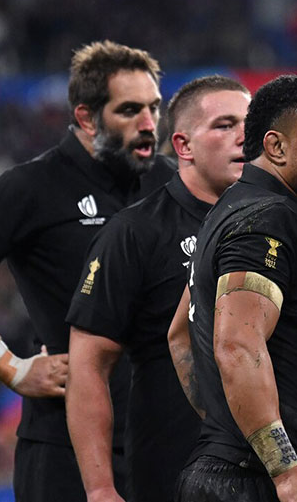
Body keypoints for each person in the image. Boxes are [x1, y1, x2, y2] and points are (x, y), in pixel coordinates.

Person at [0, 40, 173, 501]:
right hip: (63, 452)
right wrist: (10, 368)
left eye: (154, 107)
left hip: (161, 443)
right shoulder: (31, 186)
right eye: (129, 111)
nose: (149, 124)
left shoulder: (168, 182)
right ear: (86, 117)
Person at [64, 75, 252, 502]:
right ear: (183, 146)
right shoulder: (135, 232)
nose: (244, 137)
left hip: (274, 476)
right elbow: (89, 364)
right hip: (173, 474)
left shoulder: (285, 226)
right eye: (224, 125)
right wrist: (99, 489)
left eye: (250, 123)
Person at [176, 73, 297, 502]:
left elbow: (179, 334)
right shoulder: (269, 219)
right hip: (252, 480)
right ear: (276, 146)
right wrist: (284, 466)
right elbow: (236, 344)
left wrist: (224, 423)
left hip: (229, 470)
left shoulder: (227, 211)